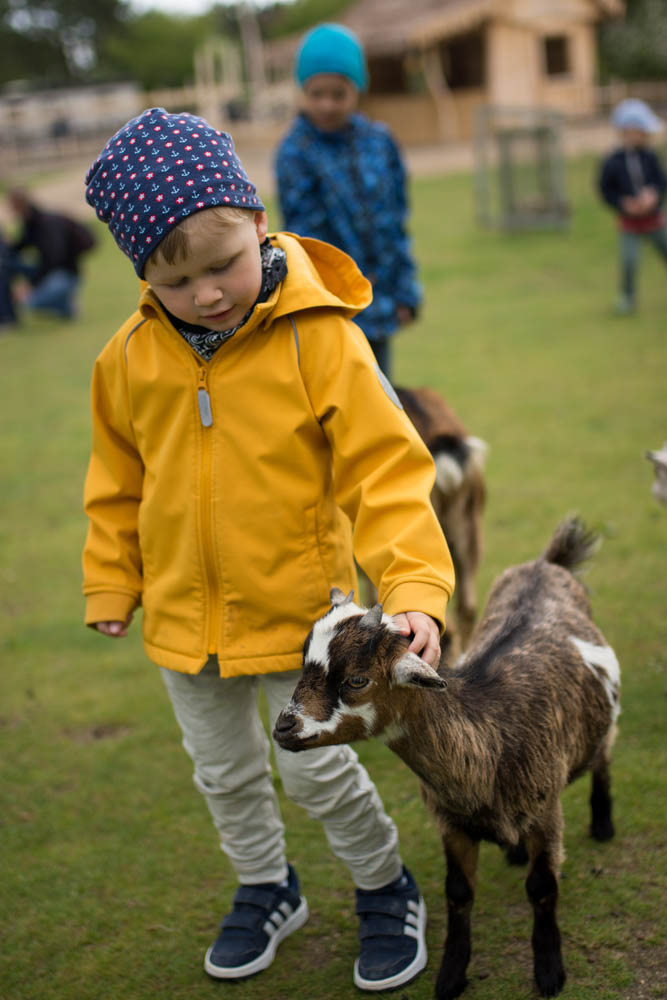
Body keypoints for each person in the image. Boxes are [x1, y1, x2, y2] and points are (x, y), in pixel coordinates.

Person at [82, 108, 454, 992]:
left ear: (258, 223)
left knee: (317, 776)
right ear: (143, 273)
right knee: (224, 775)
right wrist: (111, 583)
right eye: (178, 281)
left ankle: (384, 885)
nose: (208, 293)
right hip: (183, 620)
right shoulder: (126, 360)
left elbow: (386, 470)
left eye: (223, 265)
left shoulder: (318, 338)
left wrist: (412, 587)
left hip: (300, 625)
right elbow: (116, 483)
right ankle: (265, 886)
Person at [274, 23, 421, 379]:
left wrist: (404, 290)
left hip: (382, 302)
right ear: (303, 91)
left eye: (338, 94)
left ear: (357, 89)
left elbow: (396, 221)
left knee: (384, 402)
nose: (327, 104)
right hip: (330, 309)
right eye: (316, 93)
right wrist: (322, 304)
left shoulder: (380, 142)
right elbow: (305, 239)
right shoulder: (294, 152)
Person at [598, 98, 667, 314]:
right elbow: (606, 190)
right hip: (630, 222)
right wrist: (622, 203)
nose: (646, 135)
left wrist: (654, 195)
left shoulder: (650, 157)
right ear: (628, 131)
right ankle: (628, 298)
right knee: (630, 261)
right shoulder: (612, 161)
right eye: (642, 130)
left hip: (654, 219)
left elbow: (661, 181)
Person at [7, 188, 95, 320]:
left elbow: (53, 260)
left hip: (65, 273)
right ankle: (66, 308)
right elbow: (19, 246)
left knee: (30, 302)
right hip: (53, 271)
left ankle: (67, 306)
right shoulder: (31, 224)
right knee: (10, 265)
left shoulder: (46, 224)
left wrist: (30, 285)